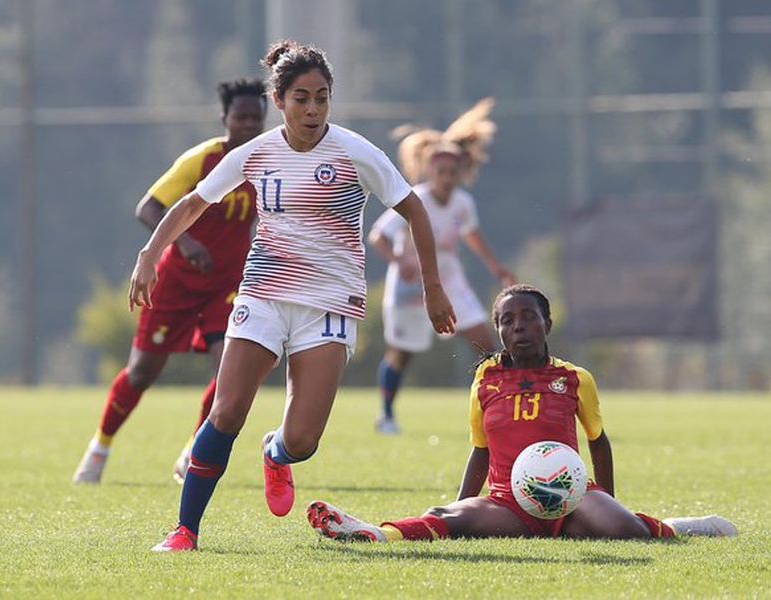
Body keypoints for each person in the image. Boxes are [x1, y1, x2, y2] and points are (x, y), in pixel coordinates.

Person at [129, 40, 456, 552]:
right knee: (227, 410)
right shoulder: (256, 153)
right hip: (262, 296)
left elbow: (414, 209)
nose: (313, 109)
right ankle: (185, 530)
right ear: (278, 101)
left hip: (328, 306)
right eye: (301, 98)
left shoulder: (354, 151)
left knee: (303, 440)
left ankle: (275, 454)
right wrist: (150, 253)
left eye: (322, 98)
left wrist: (434, 288)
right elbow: (193, 202)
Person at [307, 284, 737, 542]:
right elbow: (479, 451)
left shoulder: (574, 379)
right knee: (445, 519)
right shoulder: (485, 380)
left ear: (546, 324)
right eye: (507, 321)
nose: (518, 327)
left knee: (628, 533)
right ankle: (375, 533)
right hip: (507, 502)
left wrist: (605, 498)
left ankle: (681, 527)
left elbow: (598, 441)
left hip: (573, 496)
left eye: (528, 318)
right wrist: (465, 505)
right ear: (498, 331)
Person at [72, 79, 267, 485]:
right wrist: (188, 242)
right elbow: (149, 208)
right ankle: (100, 447)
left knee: (230, 371)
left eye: (255, 117)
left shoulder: (266, 162)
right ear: (224, 119)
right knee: (141, 372)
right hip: (176, 282)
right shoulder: (201, 160)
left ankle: (193, 452)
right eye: (240, 117)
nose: (248, 125)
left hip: (227, 286)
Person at [370, 106, 515, 434]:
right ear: (429, 172)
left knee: (485, 343)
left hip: (450, 281)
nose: (447, 178)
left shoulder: (463, 204)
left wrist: (496, 268)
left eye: (453, 172)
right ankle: (387, 414)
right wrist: (400, 261)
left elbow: (472, 237)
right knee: (401, 354)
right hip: (411, 287)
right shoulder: (414, 199)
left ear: (461, 172)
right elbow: (378, 236)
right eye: (441, 172)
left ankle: (502, 412)